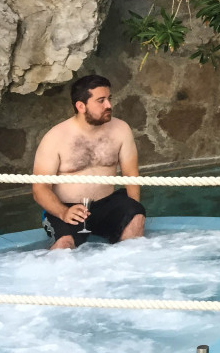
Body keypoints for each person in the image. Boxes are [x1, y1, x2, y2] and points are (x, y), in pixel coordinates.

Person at [32, 74, 146, 249]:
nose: (109, 105)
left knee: (136, 218)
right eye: (101, 100)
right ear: (81, 106)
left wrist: (132, 212)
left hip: (107, 204)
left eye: (109, 99)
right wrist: (63, 212)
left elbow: (131, 176)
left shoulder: (121, 130)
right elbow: (39, 189)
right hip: (68, 208)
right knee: (64, 245)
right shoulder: (55, 138)